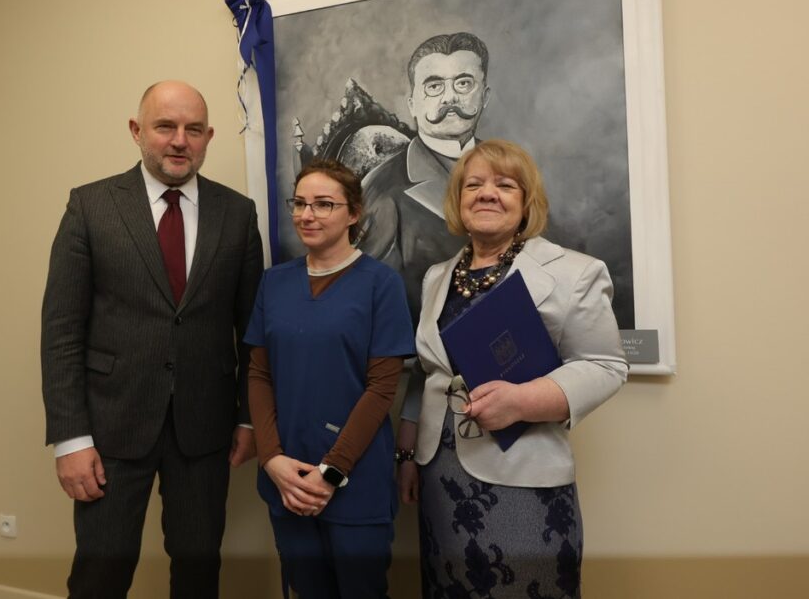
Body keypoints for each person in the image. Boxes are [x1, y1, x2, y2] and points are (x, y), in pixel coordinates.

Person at [40, 80, 264, 599]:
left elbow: (251, 330)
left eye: (193, 129)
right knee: (99, 577)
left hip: (204, 429)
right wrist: (71, 439)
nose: (180, 140)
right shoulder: (90, 206)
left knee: (198, 572)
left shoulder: (237, 214)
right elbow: (61, 331)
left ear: (209, 137)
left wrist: (248, 416)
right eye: (165, 126)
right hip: (111, 429)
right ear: (137, 131)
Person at [395, 139, 627, 598]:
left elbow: (605, 365)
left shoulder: (574, 272)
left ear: (526, 202)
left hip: (523, 476)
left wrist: (522, 401)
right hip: (440, 476)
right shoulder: (437, 276)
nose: (487, 193)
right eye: (473, 185)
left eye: (504, 185)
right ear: (458, 199)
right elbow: (428, 371)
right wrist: (407, 455)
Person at [244, 159, 416, 598]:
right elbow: (259, 375)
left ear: (354, 213)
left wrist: (332, 471)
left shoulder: (381, 285)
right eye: (300, 203)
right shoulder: (274, 283)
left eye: (324, 204)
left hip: (354, 480)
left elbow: (382, 389)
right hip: (287, 477)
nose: (307, 215)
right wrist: (272, 459)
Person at [359, 32, 492, 319]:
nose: (450, 97)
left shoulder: (510, 169)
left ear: (485, 96)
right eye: (434, 86)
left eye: (464, 83)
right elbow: (375, 303)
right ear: (412, 105)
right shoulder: (382, 190)